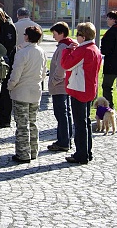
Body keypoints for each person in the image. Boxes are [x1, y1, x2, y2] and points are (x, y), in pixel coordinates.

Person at [61, 22, 103, 165]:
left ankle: (81, 154)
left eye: (78, 34)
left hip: (79, 88)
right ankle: (87, 151)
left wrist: (67, 51)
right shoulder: (94, 48)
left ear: (83, 36)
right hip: (90, 88)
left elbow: (66, 65)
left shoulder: (83, 49)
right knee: (85, 122)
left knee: (80, 123)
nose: (76, 37)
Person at [7, 26, 47, 164]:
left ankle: (23, 153)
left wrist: (10, 86)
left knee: (22, 124)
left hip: (21, 92)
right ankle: (34, 151)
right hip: (35, 91)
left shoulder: (22, 53)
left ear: (27, 37)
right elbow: (43, 73)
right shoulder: (41, 52)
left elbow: (15, 73)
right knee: (32, 123)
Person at [46, 22, 76, 152]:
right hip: (65, 85)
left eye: (55, 34)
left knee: (61, 114)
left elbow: (61, 67)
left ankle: (63, 141)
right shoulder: (67, 45)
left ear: (61, 33)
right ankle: (66, 139)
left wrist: (54, 81)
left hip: (59, 86)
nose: (53, 37)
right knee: (66, 113)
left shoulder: (63, 46)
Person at [0, 5, 17, 128]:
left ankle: (4, 118)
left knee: (5, 93)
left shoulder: (8, 27)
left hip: (7, 61)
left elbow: (9, 46)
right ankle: (3, 117)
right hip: (6, 60)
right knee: (4, 92)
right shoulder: (8, 25)